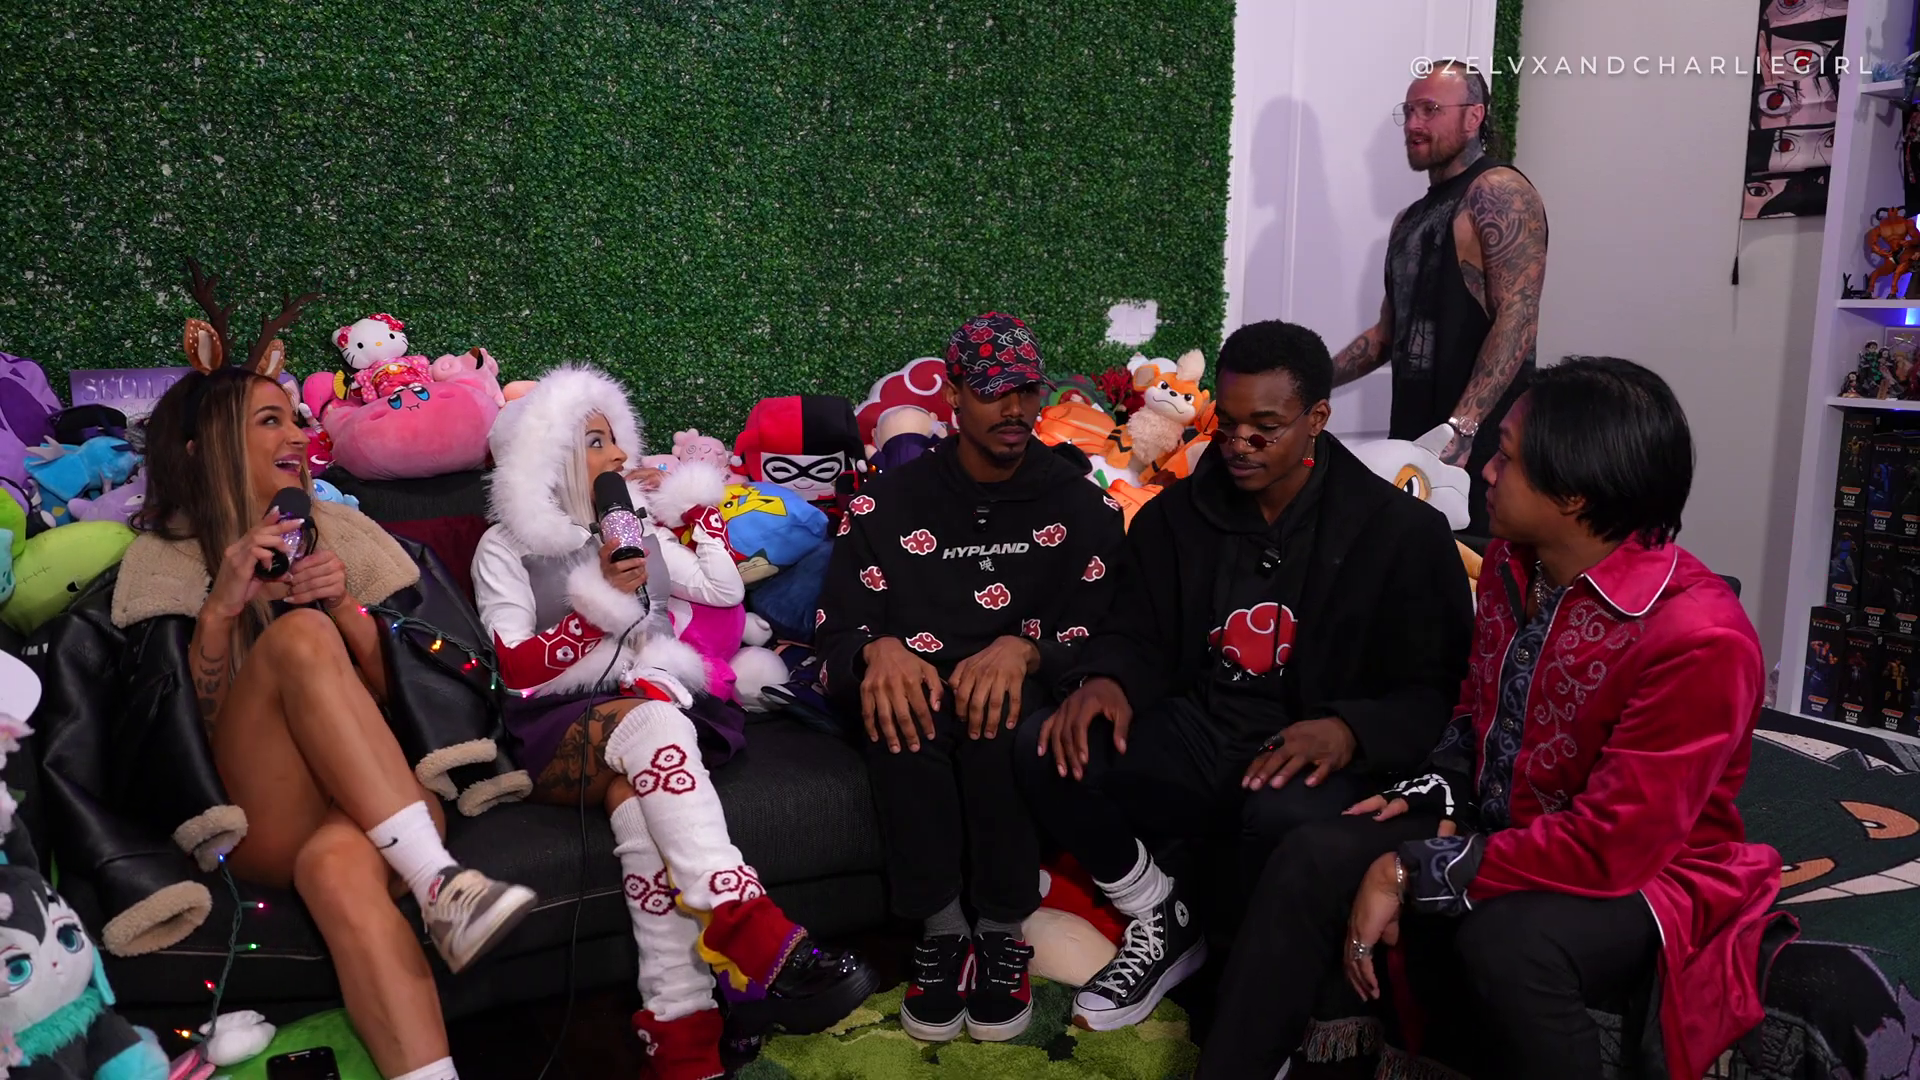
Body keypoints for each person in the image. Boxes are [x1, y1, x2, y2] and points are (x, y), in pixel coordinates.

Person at [1198, 357, 1787, 1080]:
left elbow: (1615, 846)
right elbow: (1478, 708)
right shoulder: (1512, 562)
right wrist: (1438, 790)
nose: (1484, 470)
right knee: (1312, 853)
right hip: (1507, 824)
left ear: (1572, 494)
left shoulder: (1699, 638)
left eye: (1506, 457)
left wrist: (1410, 867)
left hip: (1649, 872)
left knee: (1507, 942)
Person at [42, 361, 536, 1080]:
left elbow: (425, 703)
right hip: (261, 813)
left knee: (337, 873)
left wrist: (345, 607)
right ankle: (437, 879)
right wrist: (221, 608)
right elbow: (175, 745)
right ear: (201, 448)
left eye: (296, 419)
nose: (299, 437)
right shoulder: (159, 567)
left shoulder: (350, 537)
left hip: (379, 801)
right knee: (298, 639)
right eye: (269, 420)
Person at [1017, 319, 1473, 1031]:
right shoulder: (1174, 519)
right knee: (1047, 743)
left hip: (1314, 750)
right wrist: (1106, 680)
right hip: (1199, 730)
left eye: (1265, 430)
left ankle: (1255, 1004)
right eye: (1228, 426)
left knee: (1279, 812)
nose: (1239, 445)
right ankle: (1160, 914)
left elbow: (1434, 689)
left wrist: (1349, 730)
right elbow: (1134, 632)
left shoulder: (1401, 534)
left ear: (1317, 418)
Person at [471, 365, 878, 1078]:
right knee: (658, 724)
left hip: (648, 714)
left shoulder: (635, 528)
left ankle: (680, 1032)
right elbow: (514, 668)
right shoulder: (504, 548)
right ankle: (744, 920)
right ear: (546, 455)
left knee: (640, 813)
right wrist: (594, 603)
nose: (618, 456)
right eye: (595, 442)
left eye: (615, 439)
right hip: (557, 728)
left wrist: (696, 516)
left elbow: (721, 591)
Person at [815, 312, 1124, 1044]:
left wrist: (1028, 651)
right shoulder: (885, 505)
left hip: (1020, 693)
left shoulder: (1084, 507)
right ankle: (943, 933)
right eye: (992, 391)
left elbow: (1111, 634)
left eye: (1026, 390)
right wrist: (875, 652)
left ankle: (1001, 933)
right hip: (918, 688)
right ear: (953, 394)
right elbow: (834, 631)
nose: (1014, 408)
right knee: (900, 716)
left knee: (1001, 723)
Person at [1330, 60, 1546, 536]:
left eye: (1429, 109)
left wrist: (1462, 427)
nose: (1413, 124)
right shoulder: (1408, 218)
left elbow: (1518, 315)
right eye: (1408, 112)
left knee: (1474, 570)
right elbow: (1388, 335)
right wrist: (1309, 380)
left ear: (1474, 116)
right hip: (1412, 443)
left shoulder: (1498, 191)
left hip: (1482, 448)